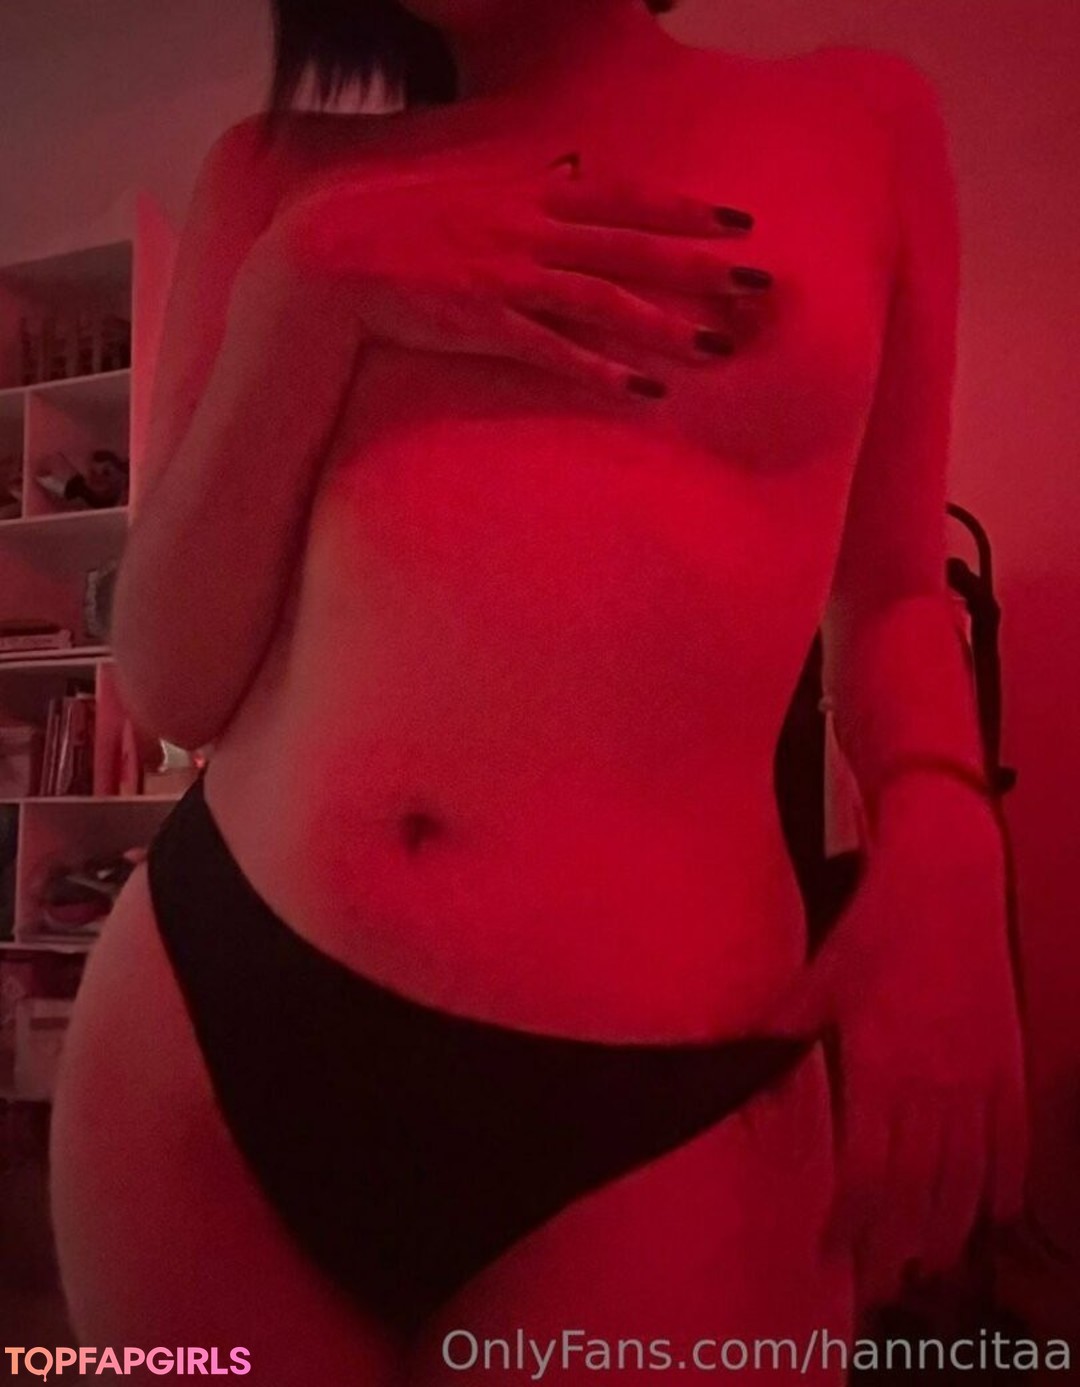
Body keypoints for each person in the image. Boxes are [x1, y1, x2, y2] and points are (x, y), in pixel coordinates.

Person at [50, 1, 1028, 1381]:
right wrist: (309, 288)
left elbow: (893, 594)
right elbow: (172, 682)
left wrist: (945, 841)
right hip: (204, 1053)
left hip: (660, 1096)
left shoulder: (862, 123)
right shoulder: (271, 174)